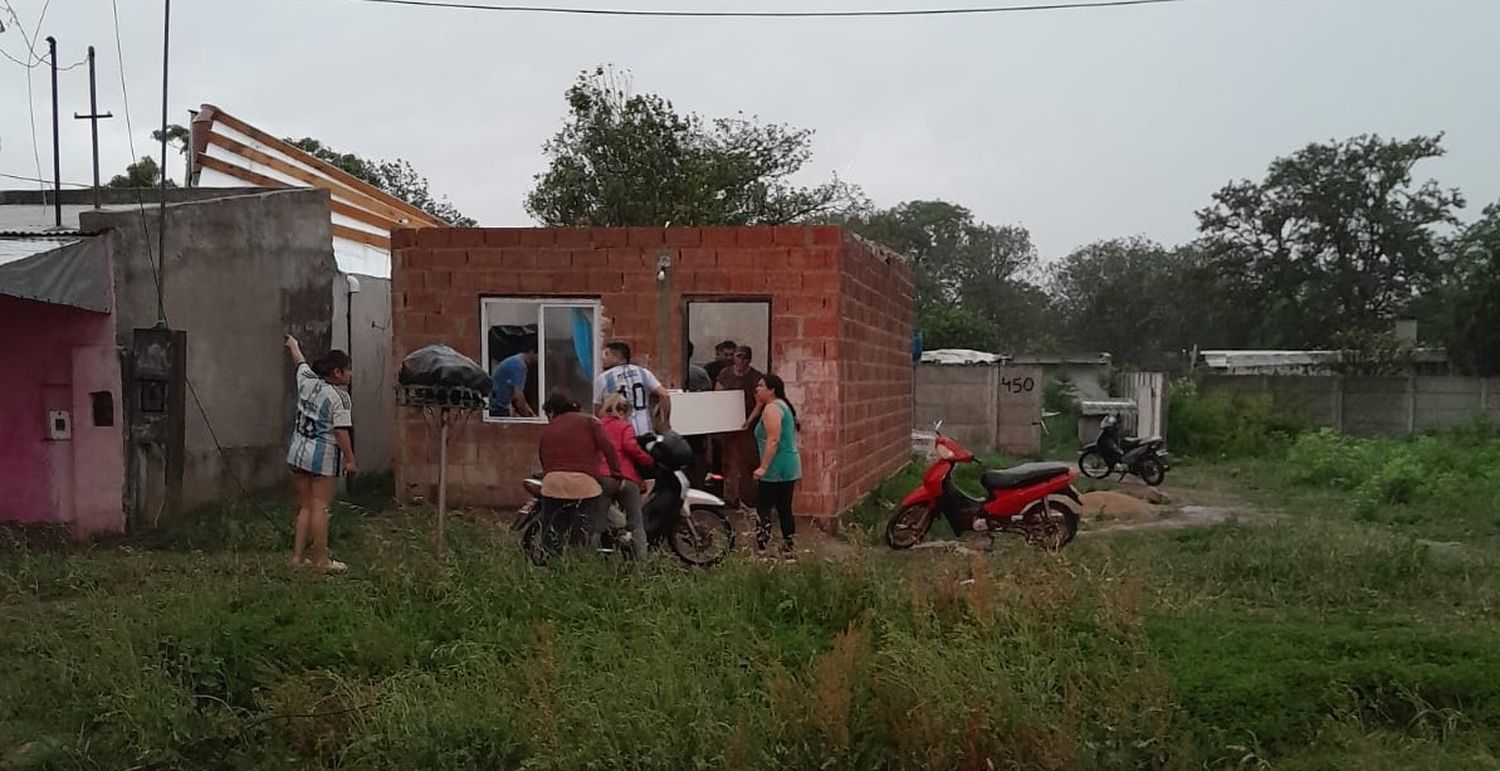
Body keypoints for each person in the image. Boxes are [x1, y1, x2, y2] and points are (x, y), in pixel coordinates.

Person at [284, 335, 356, 574]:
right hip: (322, 458)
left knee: (304, 506)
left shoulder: (307, 382)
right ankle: (320, 560)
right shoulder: (339, 397)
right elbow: (341, 432)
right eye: (348, 370)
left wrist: (294, 345)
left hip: (298, 452)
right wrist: (350, 459)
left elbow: (299, 362)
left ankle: (296, 558)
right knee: (320, 507)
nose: (350, 374)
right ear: (337, 372)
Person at [538, 392, 622, 553]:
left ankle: (550, 568)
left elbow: (543, 457)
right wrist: (617, 475)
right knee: (581, 535)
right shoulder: (590, 421)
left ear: (552, 412)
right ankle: (581, 564)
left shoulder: (549, 428)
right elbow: (609, 448)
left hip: (553, 485)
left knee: (551, 534)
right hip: (585, 486)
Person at [598, 393, 654, 559]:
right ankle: (641, 562)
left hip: (603, 479)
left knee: (597, 525)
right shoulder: (624, 426)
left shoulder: (597, 425)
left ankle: (590, 561)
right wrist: (648, 460)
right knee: (636, 523)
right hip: (625, 479)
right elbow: (631, 448)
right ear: (624, 412)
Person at [752, 373, 803, 559]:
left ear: (771, 389)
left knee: (764, 508)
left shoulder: (772, 409)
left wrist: (763, 468)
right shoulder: (781, 405)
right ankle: (788, 547)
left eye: (760, 386)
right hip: (789, 464)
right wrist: (754, 411)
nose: (757, 389)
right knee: (784, 508)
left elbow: (773, 440)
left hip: (776, 466)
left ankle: (763, 549)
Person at [715, 345, 764, 505]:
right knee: (729, 461)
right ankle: (730, 497)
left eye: (744, 357)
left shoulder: (755, 377)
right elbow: (718, 395)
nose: (740, 360)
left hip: (748, 425)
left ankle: (747, 497)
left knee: (748, 461)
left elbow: (760, 403)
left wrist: (749, 421)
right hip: (729, 424)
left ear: (749, 360)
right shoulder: (725, 374)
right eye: (738, 356)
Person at [594, 341, 671, 439]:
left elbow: (598, 411)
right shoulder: (643, 372)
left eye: (606, 354)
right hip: (645, 430)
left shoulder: (603, 378)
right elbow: (664, 395)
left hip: (621, 434)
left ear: (616, 357)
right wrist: (665, 422)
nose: (603, 358)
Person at [490, 343, 537, 418]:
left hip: (500, 405)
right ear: (532, 351)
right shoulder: (519, 365)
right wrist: (528, 418)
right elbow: (518, 396)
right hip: (497, 408)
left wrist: (531, 413)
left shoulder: (516, 361)